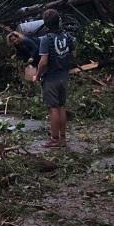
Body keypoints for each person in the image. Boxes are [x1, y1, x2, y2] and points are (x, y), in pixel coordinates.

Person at [34, 9, 74, 148]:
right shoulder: (67, 36)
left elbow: (43, 61)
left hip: (51, 78)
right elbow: (73, 54)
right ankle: (63, 138)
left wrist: (37, 75)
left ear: (45, 24)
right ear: (59, 21)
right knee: (62, 107)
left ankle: (55, 139)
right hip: (64, 76)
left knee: (54, 109)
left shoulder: (46, 39)